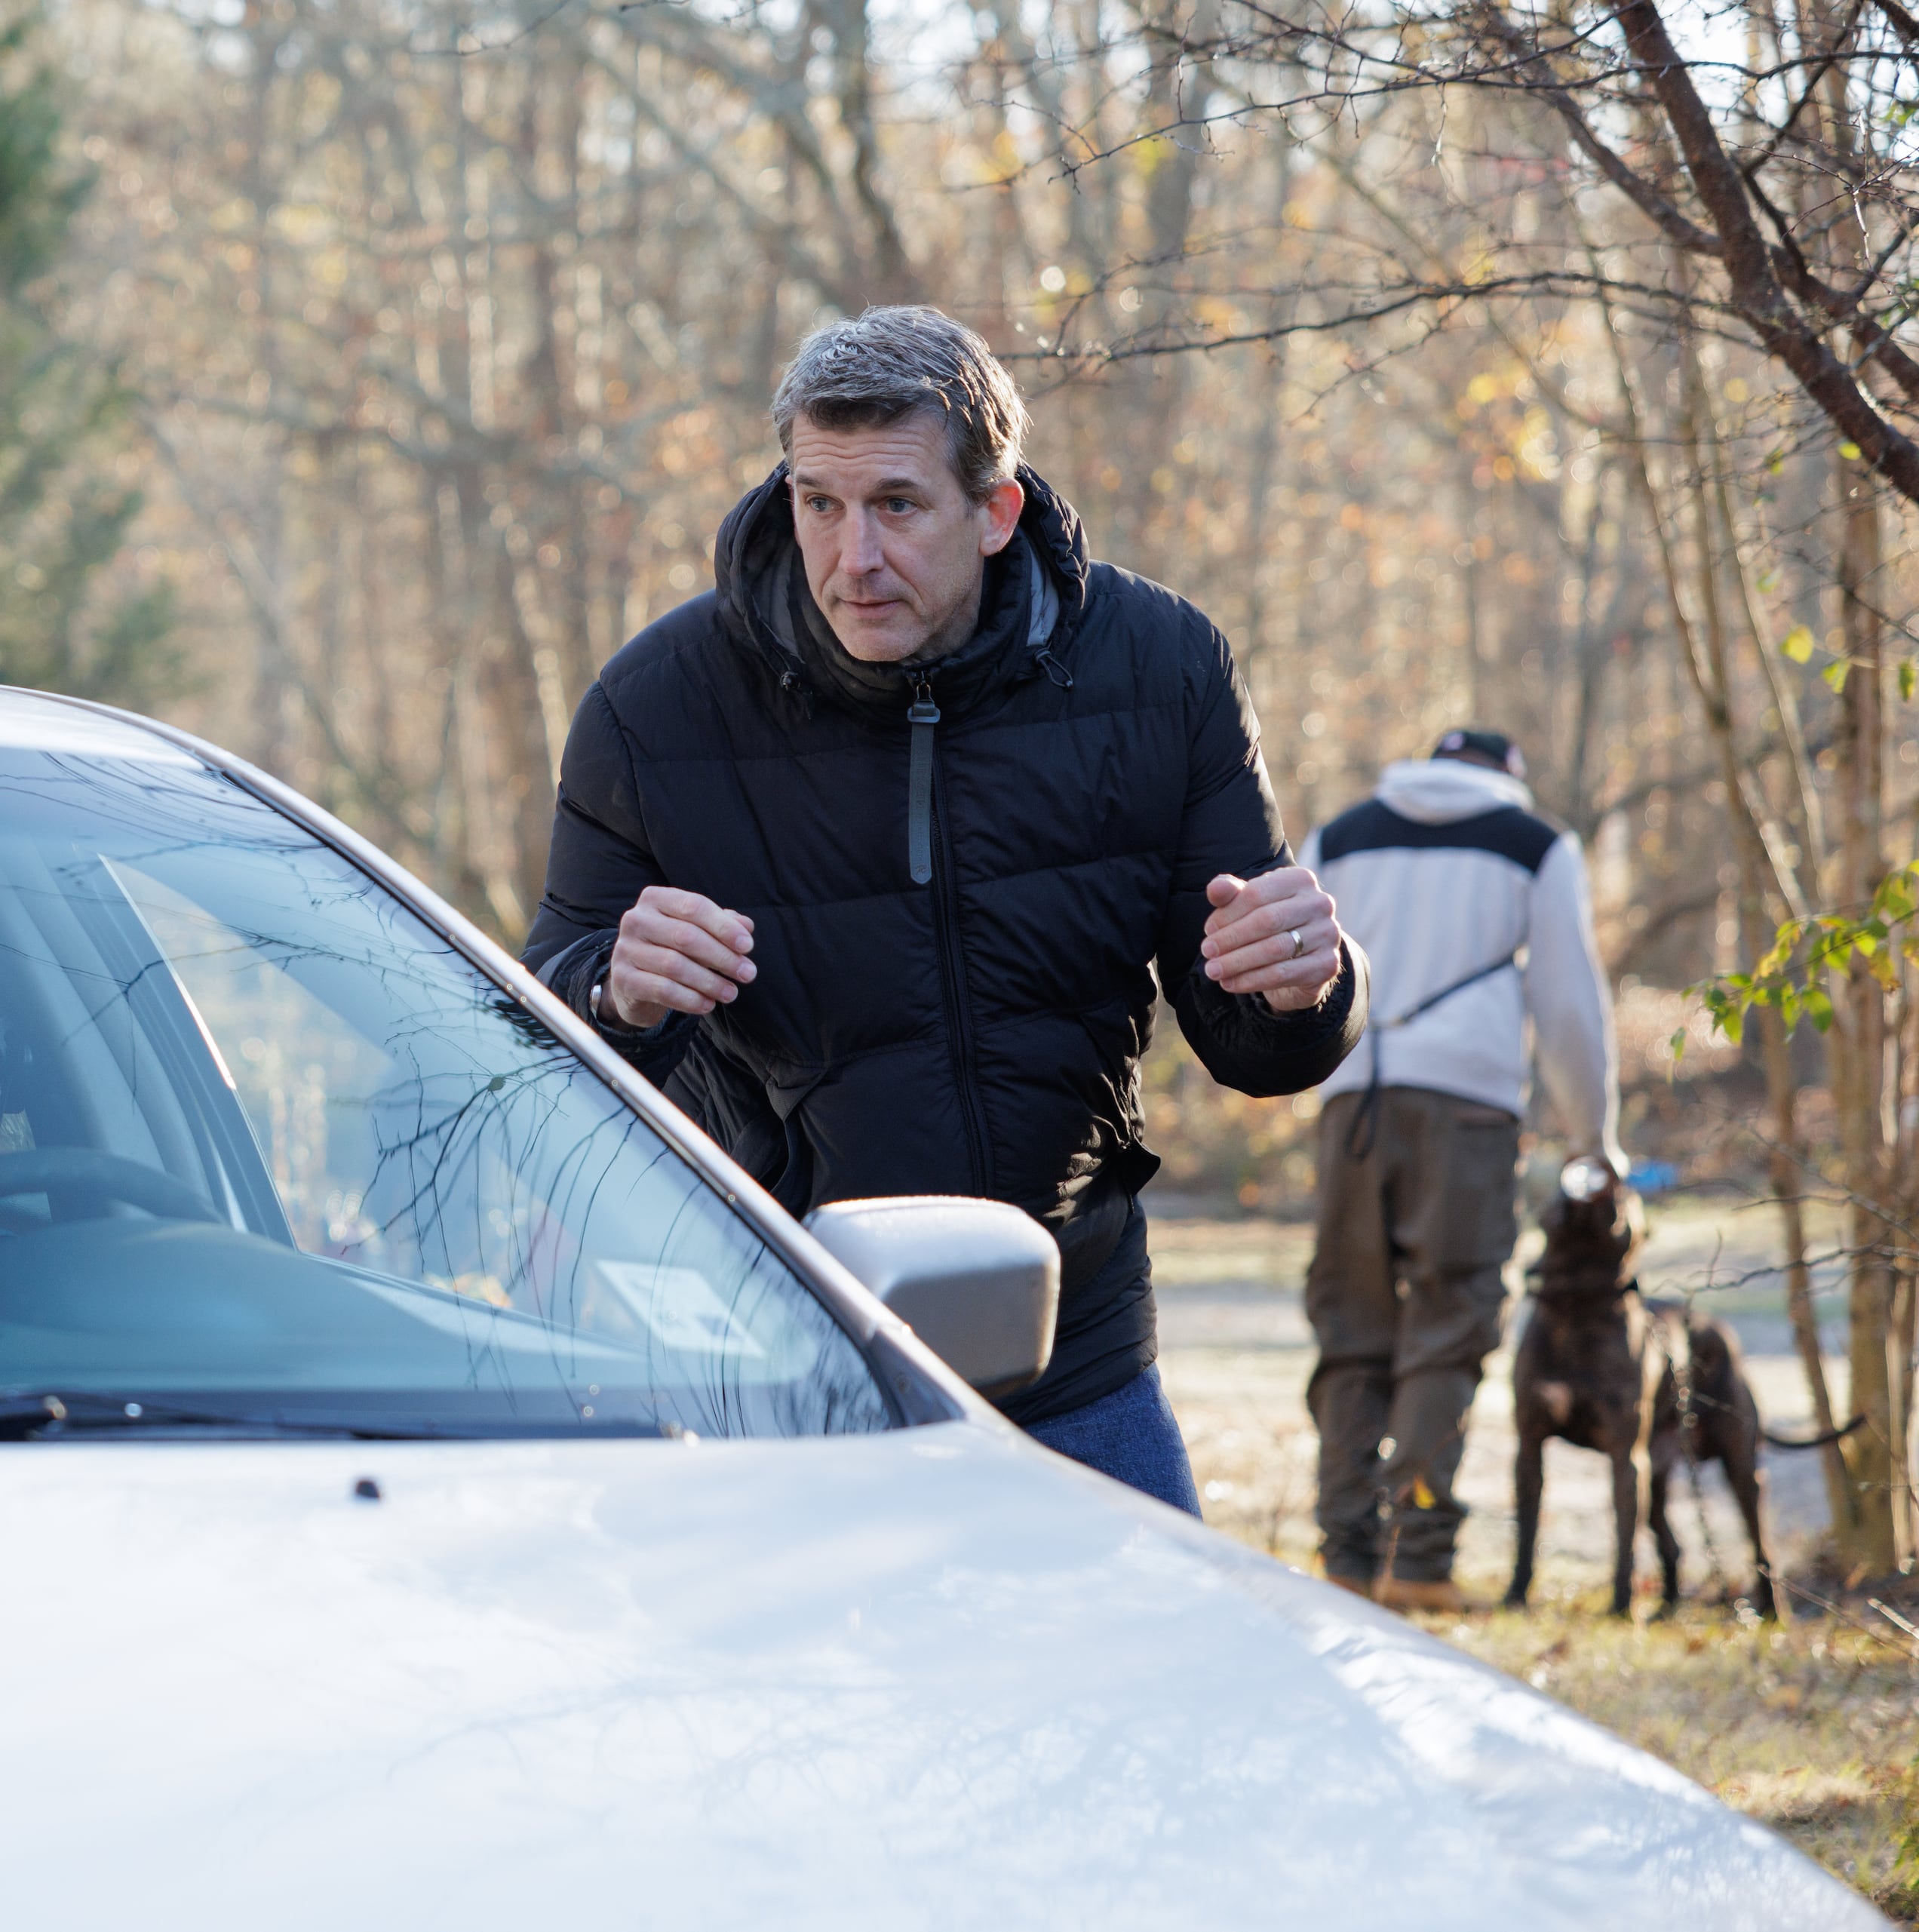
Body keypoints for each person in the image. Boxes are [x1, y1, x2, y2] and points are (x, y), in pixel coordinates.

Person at [520, 305, 1368, 1510]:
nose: (852, 556)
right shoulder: (655, 710)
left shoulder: (1162, 666)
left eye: (898, 507)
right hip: (780, 1368)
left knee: (1140, 1693)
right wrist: (610, 982)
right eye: (819, 503)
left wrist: (1307, 984)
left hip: (1078, 1361)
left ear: (997, 510)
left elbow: (1255, 1036)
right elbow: (537, 1042)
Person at [1300, 728, 1622, 1610]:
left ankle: (1346, 1555)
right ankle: (1421, 1557)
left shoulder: (1341, 833)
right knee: (1449, 1317)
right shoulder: (1535, 846)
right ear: (1509, 777)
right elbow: (1566, 1001)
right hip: (1469, 1111)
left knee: (1351, 1323)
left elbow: (1293, 966)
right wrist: (1594, 1136)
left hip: (1349, 1099)